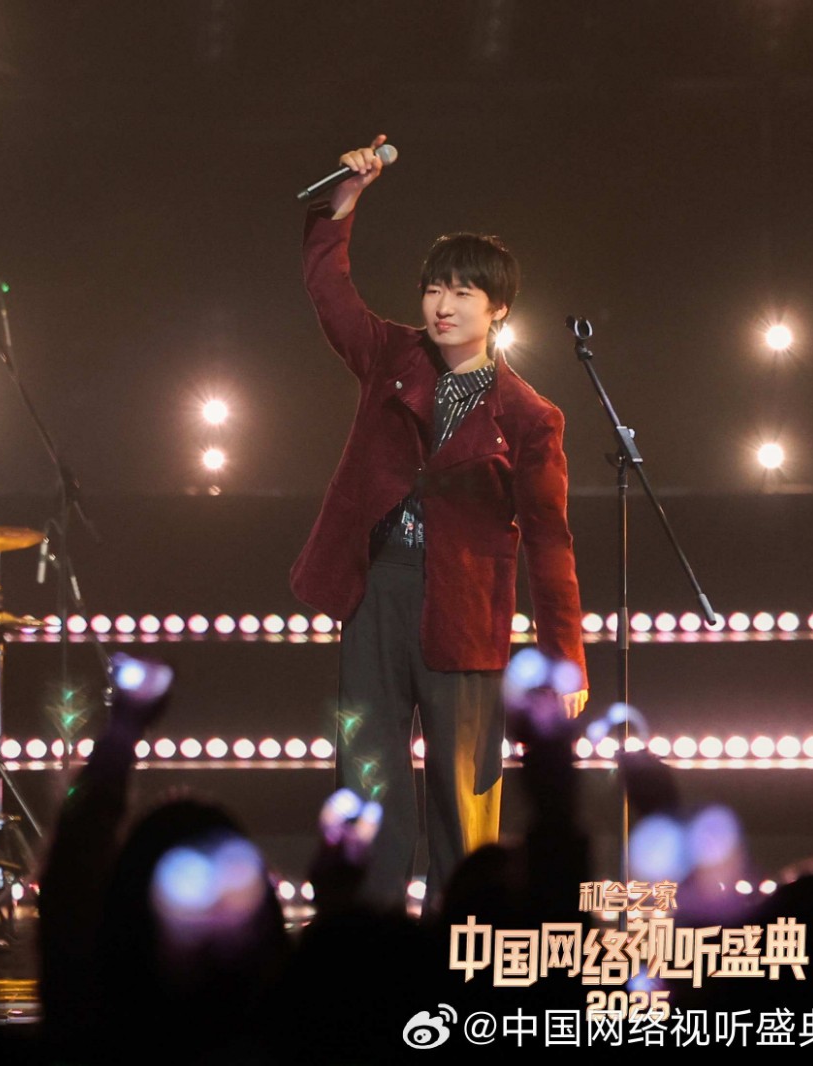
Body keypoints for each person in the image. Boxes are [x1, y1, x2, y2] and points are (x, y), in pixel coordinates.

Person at [289, 134, 588, 912]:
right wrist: (343, 206)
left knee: (464, 795)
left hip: (466, 609)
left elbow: (550, 544)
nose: (443, 306)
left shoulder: (529, 416)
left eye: (462, 293)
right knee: (368, 780)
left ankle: (465, 945)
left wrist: (565, 658)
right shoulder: (392, 356)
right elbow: (330, 292)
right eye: (433, 289)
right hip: (376, 592)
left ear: (498, 310)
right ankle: (369, 939)